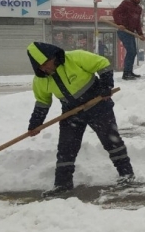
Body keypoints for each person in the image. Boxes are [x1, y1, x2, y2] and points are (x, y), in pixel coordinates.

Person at [26, 42, 135, 197]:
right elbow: (43, 102)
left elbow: (103, 64)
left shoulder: (75, 58)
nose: (44, 69)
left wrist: (105, 86)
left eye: (45, 64)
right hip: (71, 112)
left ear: (52, 57)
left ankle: (126, 174)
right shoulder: (41, 80)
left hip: (97, 105)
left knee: (111, 141)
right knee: (66, 147)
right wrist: (35, 124)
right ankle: (62, 184)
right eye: (40, 67)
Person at [113, 0, 145, 80]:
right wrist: (119, 24)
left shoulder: (139, 9)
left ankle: (129, 72)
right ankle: (126, 74)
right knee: (131, 51)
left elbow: (137, 23)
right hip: (123, 31)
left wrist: (140, 34)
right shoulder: (126, 3)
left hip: (131, 32)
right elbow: (115, 12)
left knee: (134, 52)